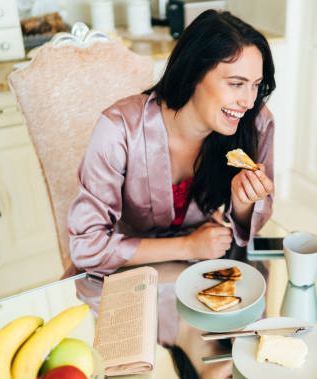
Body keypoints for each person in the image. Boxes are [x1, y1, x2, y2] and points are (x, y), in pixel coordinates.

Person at [68, 10, 275, 273]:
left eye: (256, 85)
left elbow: (249, 226)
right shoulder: (118, 130)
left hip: (203, 272)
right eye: (236, 84)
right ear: (193, 74)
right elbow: (87, 247)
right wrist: (187, 246)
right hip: (128, 273)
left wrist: (243, 201)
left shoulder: (256, 122)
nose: (248, 101)